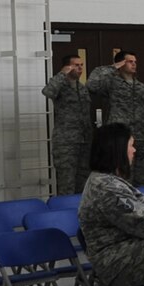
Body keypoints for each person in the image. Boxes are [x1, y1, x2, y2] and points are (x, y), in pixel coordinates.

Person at [77, 123, 144, 286]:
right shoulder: (106, 187)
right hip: (118, 264)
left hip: (127, 254)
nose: (134, 150)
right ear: (117, 150)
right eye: (131, 145)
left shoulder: (107, 181)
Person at [88, 50, 144, 185]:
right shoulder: (111, 83)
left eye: (135, 62)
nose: (134, 64)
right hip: (120, 135)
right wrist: (112, 67)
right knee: (123, 174)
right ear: (121, 63)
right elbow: (92, 84)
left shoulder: (141, 87)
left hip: (140, 135)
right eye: (130, 61)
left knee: (142, 176)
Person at [43, 54, 94, 194]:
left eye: (81, 65)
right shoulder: (60, 85)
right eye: (76, 65)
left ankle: (80, 214)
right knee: (67, 183)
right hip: (66, 143)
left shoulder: (82, 88)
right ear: (67, 67)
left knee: (83, 183)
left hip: (84, 142)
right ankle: (65, 213)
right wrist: (62, 74)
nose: (80, 68)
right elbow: (47, 91)